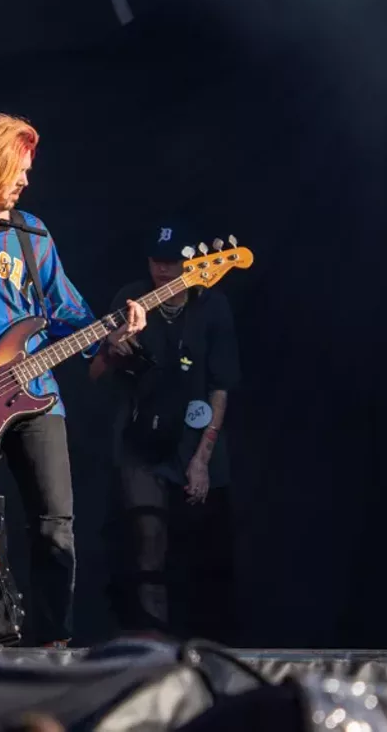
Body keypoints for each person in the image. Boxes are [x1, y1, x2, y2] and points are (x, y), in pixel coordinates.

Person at [0, 113, 145, 646]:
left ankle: (52, 641)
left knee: (53, 521)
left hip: (38, 398)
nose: (25, 180)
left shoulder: (32, 234)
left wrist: (112, 332)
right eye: (18, 168)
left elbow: (67, 312)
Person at [90, 224, 239, 642]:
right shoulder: (130, 298)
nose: (162, 269)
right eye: (156, 260)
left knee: (201, 552)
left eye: (171, 261)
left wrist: (202, 461)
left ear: (190, 262)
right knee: (144, 547)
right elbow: (95, 373)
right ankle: (150, 649)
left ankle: (204, 650)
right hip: (141, 442)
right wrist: (115, 348)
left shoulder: (212, 306)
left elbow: (221, 385)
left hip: (195, 442)